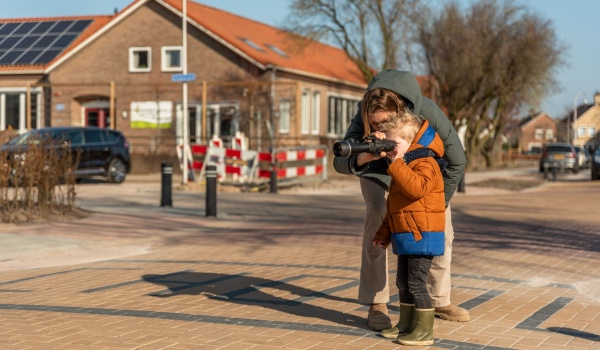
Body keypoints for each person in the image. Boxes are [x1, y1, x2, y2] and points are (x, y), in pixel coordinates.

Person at [333, 69, 468, 331]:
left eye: (384, 124)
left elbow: (457, 160)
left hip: (422, 172)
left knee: (442, 229)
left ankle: (438, 299)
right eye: (374, 124)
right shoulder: (365, 113)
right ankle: (377, 302)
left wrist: (437, 205)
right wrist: (362, 157)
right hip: (378, 173)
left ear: (402, 113)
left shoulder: (428, 112)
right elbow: (340, 159)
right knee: (377, 218)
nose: (378, 129)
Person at [372, 112, 446, 346]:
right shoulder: (402, 165)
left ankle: (425, 331)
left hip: (422, 235)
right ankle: (406, 324)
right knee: (403, 283)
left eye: (395, 144)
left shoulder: (426, 163)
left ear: (410, 141)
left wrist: (396, 165)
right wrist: (384, 234)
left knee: (416, 284)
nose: (391, 149)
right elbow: (395, 206)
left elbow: (417, 189)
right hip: (406, 235)